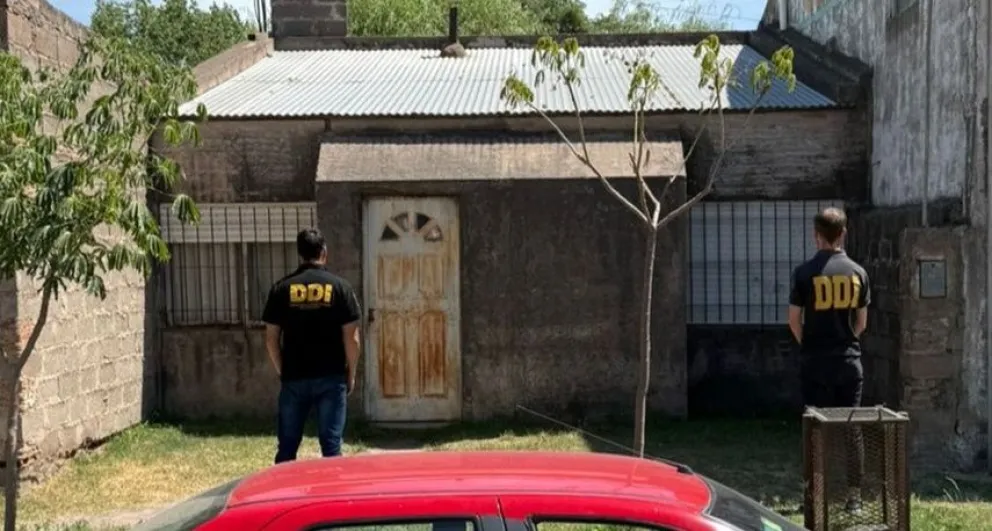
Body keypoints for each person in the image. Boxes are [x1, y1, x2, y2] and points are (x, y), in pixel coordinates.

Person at [787, 207, 870, 513]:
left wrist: (810, 344)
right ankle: (854, 498)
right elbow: (862, 323)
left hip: (815, 363)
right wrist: (844, 342)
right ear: (843, 233)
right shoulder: (858, 273)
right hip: (848, 361)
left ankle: (813, 496)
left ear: (816, 235)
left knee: (814, 429)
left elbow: (794, 321)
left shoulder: (804, 273)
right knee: (852, 428)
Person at [262, 228, 362, 464]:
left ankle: (284, 488)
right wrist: (351, 374)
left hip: (294, 378)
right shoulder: (340, 288)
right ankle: (331, 487)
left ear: (300, 254)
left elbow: (271, 338)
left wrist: (283, 371)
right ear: (324, 252)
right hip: (331, 377)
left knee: (287, 448)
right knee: (331, 448)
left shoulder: (281, 289)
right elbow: (352, 338)